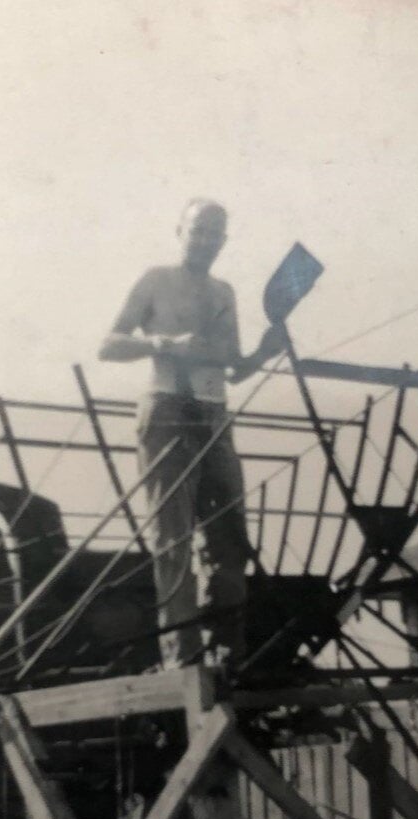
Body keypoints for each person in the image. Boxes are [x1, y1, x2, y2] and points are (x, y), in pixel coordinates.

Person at [99, 198, 282, 669]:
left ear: (224, 240)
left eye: (215, 233)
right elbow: (109, 344)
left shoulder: (225, 291)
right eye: (197, 230)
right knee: (173, 536)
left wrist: (263, 352)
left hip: (214, 413)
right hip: (167, 412)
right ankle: (182, 659)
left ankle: (227, 654)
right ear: (178, 230)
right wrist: (164, 343)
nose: (205, 240)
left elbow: (233, 366)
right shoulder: (155, 280)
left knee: (230, 539)